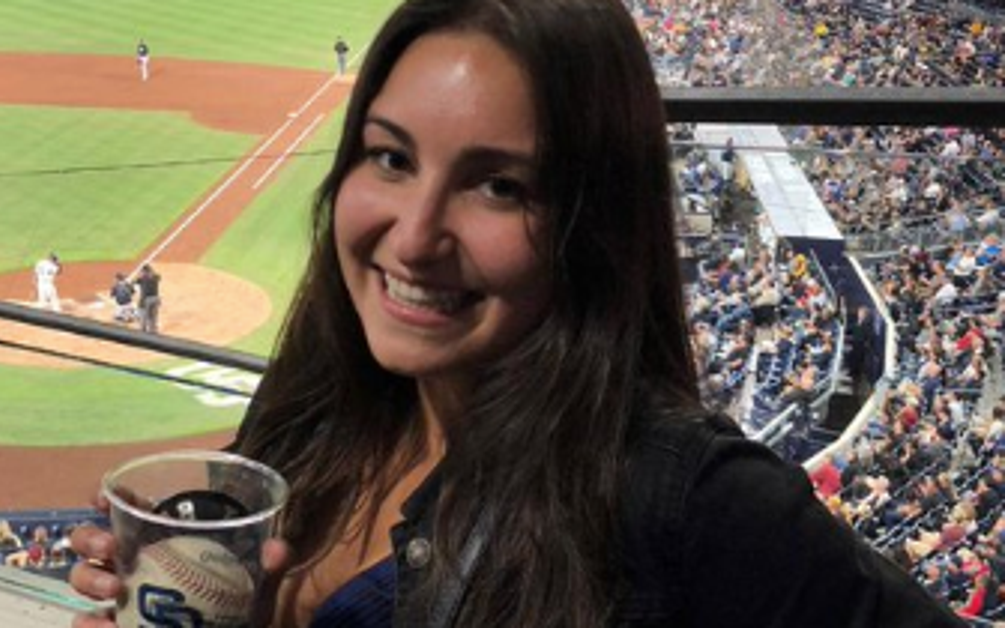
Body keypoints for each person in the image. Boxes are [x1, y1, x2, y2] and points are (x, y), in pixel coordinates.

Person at [70, 1, 965, 626]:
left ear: (594, 222)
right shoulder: (316, 404)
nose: (413, 238)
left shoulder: (687, 498)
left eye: (499, 186)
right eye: (389, 159)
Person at [135, 263, 161, 333]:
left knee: (143, 315)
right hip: (156, 299)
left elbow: (135, 282)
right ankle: (153, 330)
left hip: (146, 299)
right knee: (153, 316)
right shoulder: (155, 277)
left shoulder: (142, 278)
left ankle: (143, 330)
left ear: (144, 271)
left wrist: (141, 275)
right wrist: (151, 272)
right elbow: (158, 276)